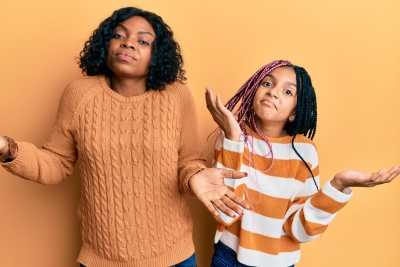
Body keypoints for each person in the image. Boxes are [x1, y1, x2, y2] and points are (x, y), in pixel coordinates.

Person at [0, 7, 250, 267]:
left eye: (143, 41)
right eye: (119, 35)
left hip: (174, 256)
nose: (128, 43)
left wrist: (195, 176)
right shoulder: (78, 94)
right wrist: (7, 148)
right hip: (102, 259)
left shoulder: (177, 96)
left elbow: (189, 162)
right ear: (105, 44)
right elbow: (56, 163)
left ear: (157, 55)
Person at [205, 59, 399, 267]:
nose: (273, 92)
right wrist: (233, 139)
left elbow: (300, 230)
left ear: (294, 113)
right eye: (268, 84)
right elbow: (226, 213)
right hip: (227, 257)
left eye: (288, 92)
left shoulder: (304, 152)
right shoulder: (232, 137)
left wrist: (338, 185)